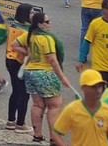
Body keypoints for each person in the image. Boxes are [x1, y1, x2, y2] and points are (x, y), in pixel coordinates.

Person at [14, 11, 69, 143]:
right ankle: (54, 138)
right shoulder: (47, 39)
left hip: (31, 73)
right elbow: (52, 60)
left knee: (38, 105)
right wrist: (62, 77)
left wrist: (29, 52)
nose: (49, 25)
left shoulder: (29, 35)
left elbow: (14, 45)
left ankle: (37, 135)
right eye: (47, 22)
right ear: (40, 24)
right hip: (46, 73)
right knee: (54, 106)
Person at [51, 70, 108, 146]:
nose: (98, 90)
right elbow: (56, 133)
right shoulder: (72, 109)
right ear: (83, 88)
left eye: (100, 86)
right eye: (93, 87)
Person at [4, 3, 32, 132]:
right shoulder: (24, 30)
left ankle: (10, 120)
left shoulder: (13, 25)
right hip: (19, 62)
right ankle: (20, 123)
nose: (32, 15)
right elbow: (20, 46)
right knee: (24, 93)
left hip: (10, 60)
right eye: (31, 13)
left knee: (16, 91)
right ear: (25, 14)